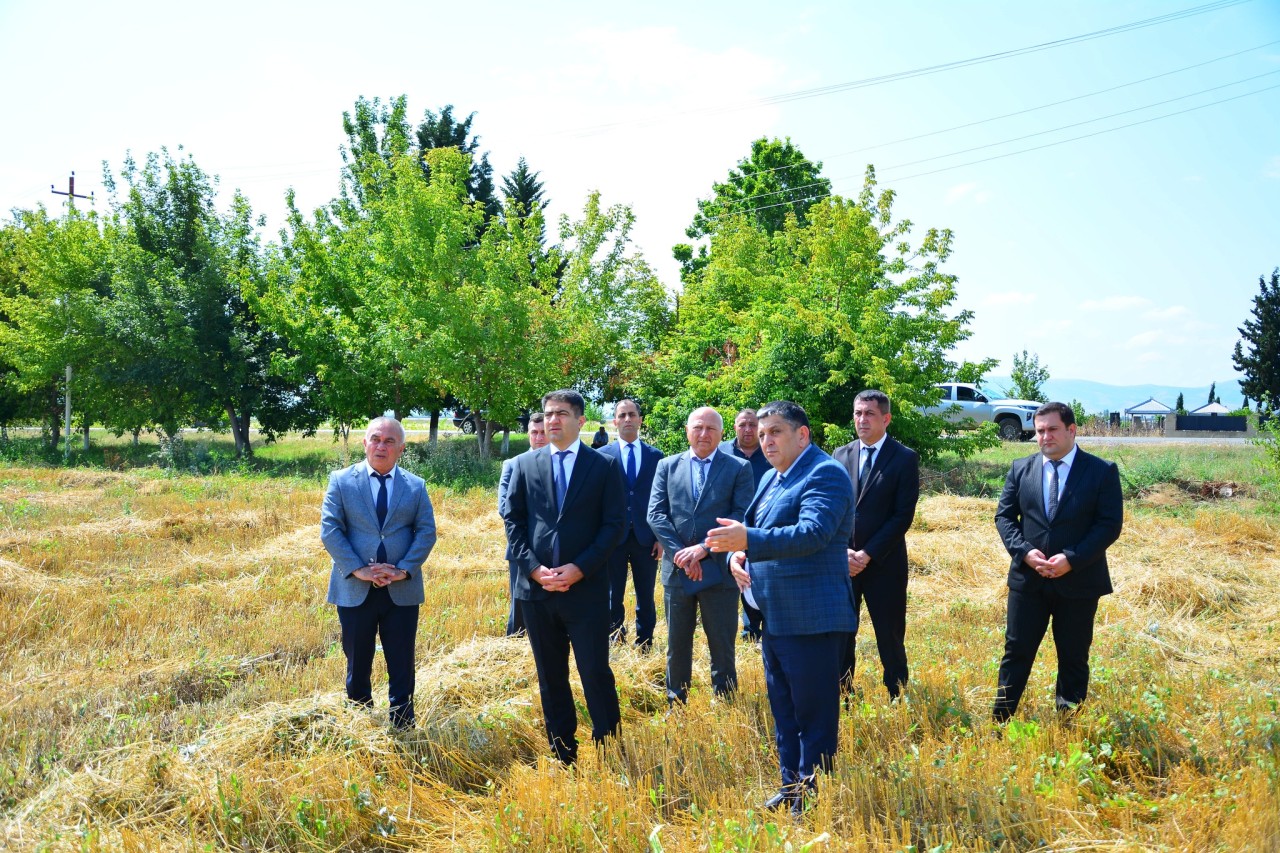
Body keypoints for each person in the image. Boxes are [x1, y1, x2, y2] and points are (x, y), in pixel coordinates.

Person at [707, 401, 856, 816]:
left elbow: (812, 533)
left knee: (814, 714)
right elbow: (758, 535)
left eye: (775, 432)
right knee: (785, 712)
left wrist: (747, 542)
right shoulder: (774, 477)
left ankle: (812, 797)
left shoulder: (824, 473)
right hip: (777, 615)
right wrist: (739, 558)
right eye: (762, 432)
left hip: (812, 617)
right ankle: (792, 785)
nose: (764, 439)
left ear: (802, 435)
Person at [501, 389, 627, 764]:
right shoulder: (525, 465)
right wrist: (535, 570)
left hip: (584, 591)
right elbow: (514, 523)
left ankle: (609, 746)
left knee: (594, 672)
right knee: (551, 676)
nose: (552, 420)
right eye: (548, 413)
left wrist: (580, 568)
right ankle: (562, 751)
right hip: (537, 592)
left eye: (561, 414)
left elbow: (615, 525)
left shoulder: (603, 466)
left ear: (580, 421)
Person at [992, 401, 1123, 722]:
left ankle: (1067, 725)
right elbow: (1004, 517)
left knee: (1073, 657)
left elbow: (1109, 525)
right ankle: (1000, 721)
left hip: (1078, 583)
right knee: (1016, 652)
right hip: (1029, 580)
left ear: (1071, 430)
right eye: (1039, 431)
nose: (1044, 437)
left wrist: (1072, 559)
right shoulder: (1020, 469)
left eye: (1052, 429)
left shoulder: (1101, 471)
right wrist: (1024, 552)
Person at [321, 417, 437, 729]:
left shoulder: (415, 486)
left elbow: (426, 532)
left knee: (402, 661)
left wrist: (403, 571)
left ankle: (403, 722)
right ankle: (359, 720)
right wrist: (358, 569)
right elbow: (330, 530)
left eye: (388, 441)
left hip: (401, 591)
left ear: (401, 448)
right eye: (375, 439)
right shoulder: (342, 481)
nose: (380, 446)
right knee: (357, 659)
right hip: (355, 588)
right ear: (364, 443)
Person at [647, 407, 754, 704]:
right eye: (698, 427)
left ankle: (725, 699)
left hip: (719, 570)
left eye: (711, 429)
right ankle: (676, 701)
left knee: (722, 642)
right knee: (677, 642)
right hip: (676, 571)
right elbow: (656, 515)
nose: (703, 434)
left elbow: (740, 514)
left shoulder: (738, 468)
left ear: (722, 434)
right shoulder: (667, 466)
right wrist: (683, 555)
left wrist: (704, 549)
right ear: (687, 430)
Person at [832, 390, 920, 700]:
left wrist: (867, 554)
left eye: (869, 413)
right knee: (842, 631)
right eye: (857, 413)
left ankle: (897, 692)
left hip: (885, 563)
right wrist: (843, 551)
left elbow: (902, 516)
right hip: (843, 563)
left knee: (890, 633)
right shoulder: (840, 456)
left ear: (886, 418)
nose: (861, 419)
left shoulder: (904, 458)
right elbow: (833, 508)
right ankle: (844, 692)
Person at [598, 398, 664, 650]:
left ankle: (645, 641)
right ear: (614, 421)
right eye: (622, 415)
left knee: (646, 595)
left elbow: (662, 500)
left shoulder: (656, 457)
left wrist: (660, 538)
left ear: (640, 419)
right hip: (613, 538)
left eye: (632, 414)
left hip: (646, 538)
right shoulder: (602, 456)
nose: (627, 419)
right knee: (612, 594)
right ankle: (615, 638)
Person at [720, 408, 771, 641]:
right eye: (743, 425)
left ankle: (764, 627)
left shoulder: (771, 452)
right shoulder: (722, 452)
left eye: (753, 425)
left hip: (765, 527)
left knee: (759, 574)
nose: (748, 429)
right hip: (730, 524)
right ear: (734, 427)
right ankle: (748, 632)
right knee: (735, 575)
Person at [498, 412, 548, 636]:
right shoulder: (513, 464)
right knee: (520, 603)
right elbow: (504, 507)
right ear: (528, 434)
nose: (539, 438)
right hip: (522, 547)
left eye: (543, 433)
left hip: (554, 549)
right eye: (534, 433)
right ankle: (514, 646)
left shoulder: (559, 464)